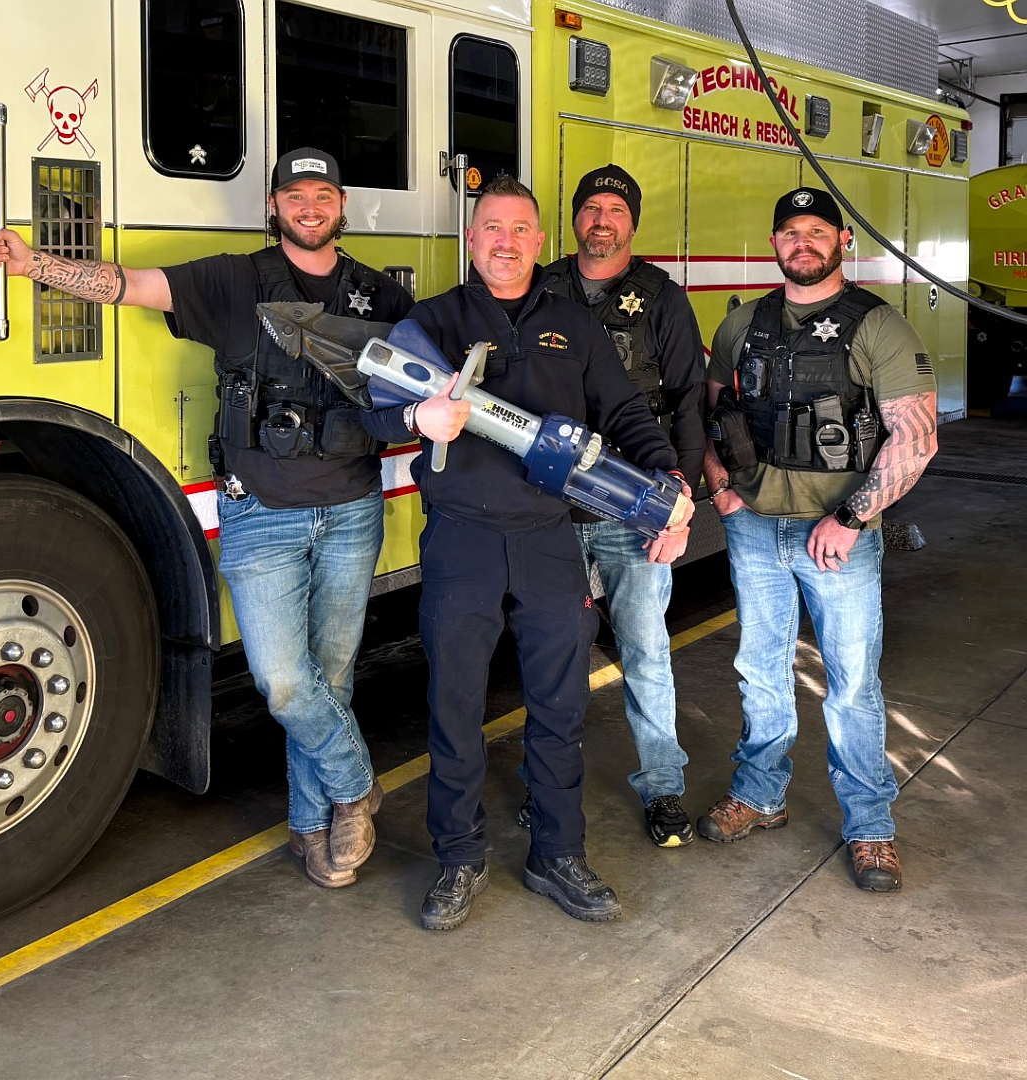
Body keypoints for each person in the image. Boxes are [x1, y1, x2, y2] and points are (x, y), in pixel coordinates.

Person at [0, 147, 413, 890]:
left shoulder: (378, 298)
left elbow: (424, 375)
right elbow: (127, 285)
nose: (310, 206)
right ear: (273, 207)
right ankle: (354, 786)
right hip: (262, 520)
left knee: (330, 680)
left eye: (324, 194)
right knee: (284, 683)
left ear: (343, 207)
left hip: (350, 511)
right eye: (295, 195)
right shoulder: (232, 280)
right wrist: (33, 266)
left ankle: (314, 829)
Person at [363, 175, 695, 930]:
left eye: (520, 230)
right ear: (471, 240)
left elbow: (625, 410)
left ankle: (557, 853)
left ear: (539, 243)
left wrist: (669, 478)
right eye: (491, 228)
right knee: (453, 705)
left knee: (559, 705)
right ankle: (458, 857)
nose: (505, 242)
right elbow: (373, 419)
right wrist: (421, 412)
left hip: (549, 538)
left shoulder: (574, 328)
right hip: (462, 541)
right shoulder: (434, 321)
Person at [699, 186, 938, 892]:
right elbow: (714, 415)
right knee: (760, 671)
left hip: (839, 536)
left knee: (852, 685)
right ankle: (760, 796)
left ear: (842, 243)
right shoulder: (742, 324)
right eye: (789, 232)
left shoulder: (878, 326)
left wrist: (853, 517)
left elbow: (916, 439)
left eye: (816, 231)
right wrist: (720, 485)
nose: (802, 242)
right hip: (753, 529)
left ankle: (870, 829)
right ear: (774, 243)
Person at [522, 163, 707, 848]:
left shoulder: (661, 297)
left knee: (645, 652)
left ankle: (663, 787)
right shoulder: (539, 288)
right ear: (575, 220)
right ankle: (544, 786)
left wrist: (678, 502)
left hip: (634, 505)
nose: (602, 220)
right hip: (548, 506)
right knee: (551, 655)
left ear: (633, 222)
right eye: (591, 208)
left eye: (615, 210)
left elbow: (688, 398)